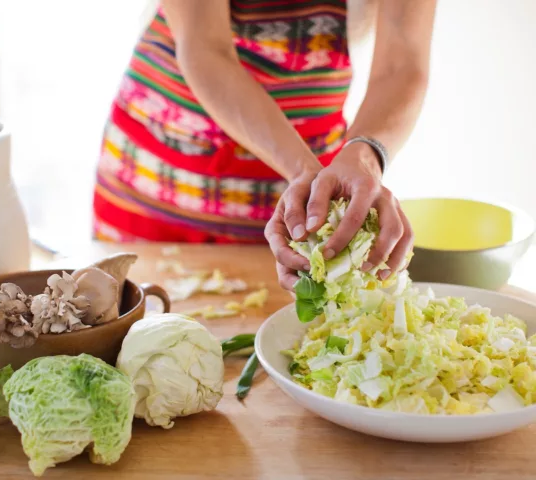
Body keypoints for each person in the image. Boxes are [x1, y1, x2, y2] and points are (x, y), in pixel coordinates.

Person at [93, 0, 436, 290]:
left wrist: (364, 157)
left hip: (309, 171)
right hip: (160, 168)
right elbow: (205, 47)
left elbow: (401, 64)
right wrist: (304, 170)